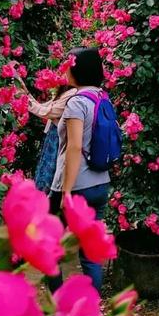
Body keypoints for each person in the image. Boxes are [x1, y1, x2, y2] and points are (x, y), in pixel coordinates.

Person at [48, 47, 111, 292]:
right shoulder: (102, 98)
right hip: (100, 183)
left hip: (75, 187)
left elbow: (74, 147)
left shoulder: (76, 103)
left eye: (69, 64)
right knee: (90, 254)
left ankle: (59, 306)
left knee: (49, 247)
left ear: (77, 70)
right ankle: (89, 314)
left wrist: (66, 193)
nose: (64, 69)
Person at [20, 81, 77, 193]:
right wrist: (25, 92)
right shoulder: (67, 91)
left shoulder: (72, 93)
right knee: (46, 171)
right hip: (53, 135)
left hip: (57, 137)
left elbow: (48, 112)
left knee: (48, 174)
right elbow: (43, 107)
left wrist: (24, 98)